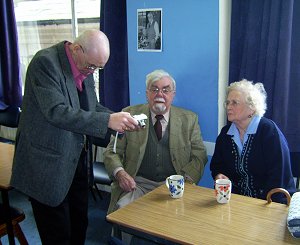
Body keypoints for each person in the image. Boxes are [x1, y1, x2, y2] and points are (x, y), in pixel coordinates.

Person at [10, 29, 139, 245]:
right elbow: (57, 111)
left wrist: (117, 118)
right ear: (76, 49)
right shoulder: (45, 63)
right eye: (92, 66)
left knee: (79, 225)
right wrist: (107, 121)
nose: (93, 71)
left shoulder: (86, 67)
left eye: (98, 67)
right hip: (46, 166)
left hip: (76, 162)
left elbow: (91, 107)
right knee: (57, 234)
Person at [104, 69, 208, 216]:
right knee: (122, 210)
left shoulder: (189, 119)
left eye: (166, 90)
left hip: (173, 186)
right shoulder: (129, 114)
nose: (160, 94)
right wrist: (120, 174)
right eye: (154, 89)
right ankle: (120, 240)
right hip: (137, 184)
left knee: (182, 220)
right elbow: (112, 151)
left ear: (173, 94)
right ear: (147, 94)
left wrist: (186, 180)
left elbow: (200, 155)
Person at [210, 79, 296, 204]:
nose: (228, 107)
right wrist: (219, 175)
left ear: (252, 108)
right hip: (236, 201)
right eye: (227, 102)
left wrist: (259, 207)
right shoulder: (226, 133)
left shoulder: (268, 131)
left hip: (270, 202)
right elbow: (217, 165)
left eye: (235, 103)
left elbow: (278, 177)